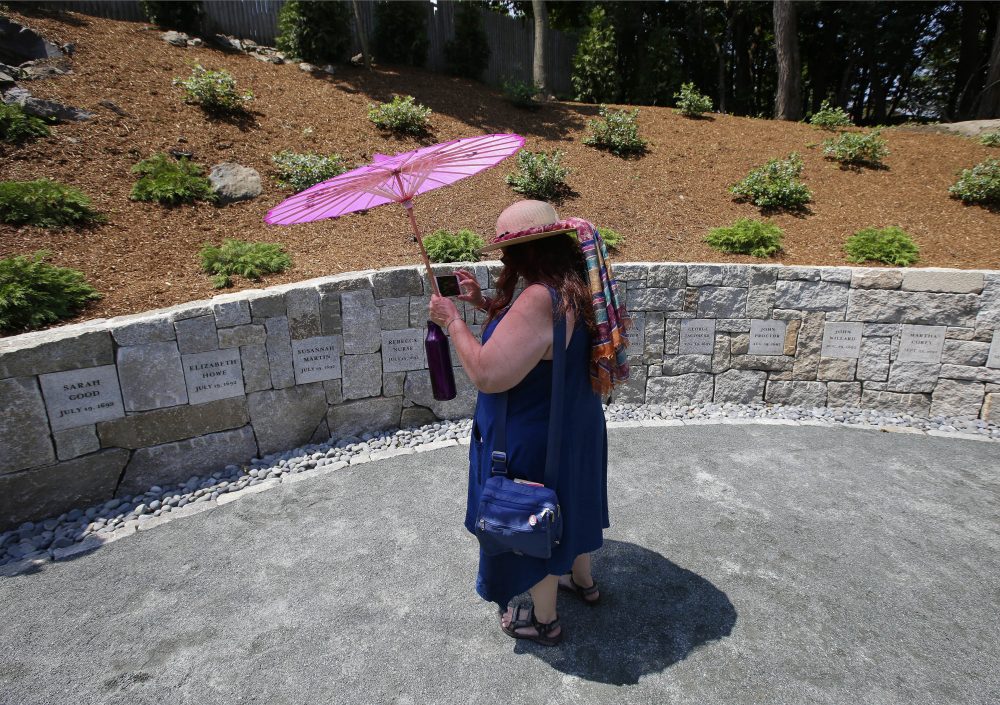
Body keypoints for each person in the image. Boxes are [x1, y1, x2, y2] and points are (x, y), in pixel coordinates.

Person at [428, 200, 631, 646]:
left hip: (536, 436)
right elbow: (534, 342)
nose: (503, 259)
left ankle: (542, 620)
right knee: (570, 501)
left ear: (526, 251)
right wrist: (482, 303)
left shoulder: (539, 298)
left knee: (534, 521)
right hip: (574, 425)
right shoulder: (574, 285)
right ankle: (582, 579)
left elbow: (487, 372)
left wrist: (453, 322)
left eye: (506, 251)